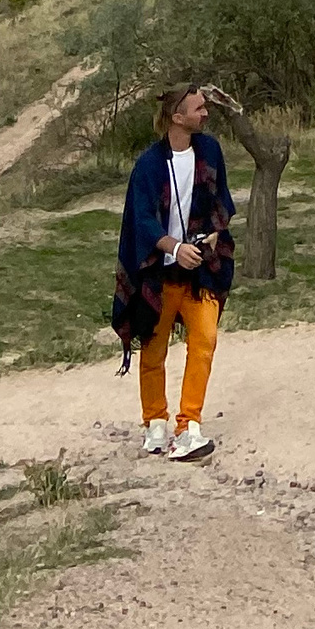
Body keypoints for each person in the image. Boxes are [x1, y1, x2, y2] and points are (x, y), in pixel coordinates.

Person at [111, 81, 236, 460]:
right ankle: (155, 423)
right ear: (177, 117)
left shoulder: (210, 150)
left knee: (205, 341)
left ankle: (189, 426)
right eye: (199, 108)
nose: (206, 113)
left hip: (201, 271)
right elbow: (143, 221)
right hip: (160, 273)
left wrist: (213, 234)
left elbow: (222, 201)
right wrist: (174, 248)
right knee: (153, 348)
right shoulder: (148, 165)